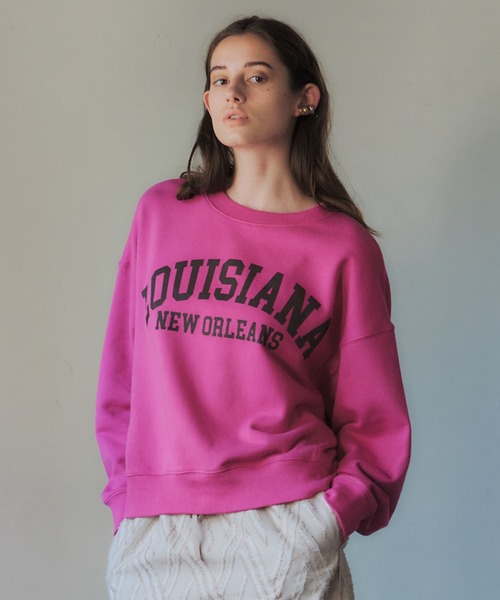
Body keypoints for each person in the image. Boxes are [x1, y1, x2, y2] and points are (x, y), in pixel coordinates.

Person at [96, 15, 411, 600]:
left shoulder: (342, 247)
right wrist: (125, 495)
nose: (233, 93)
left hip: (286, 525)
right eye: (220, 79)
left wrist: (329, 519)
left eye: (257, 77)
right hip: (155, 528)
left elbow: (374, 413)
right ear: (207, 100)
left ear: (304, 98)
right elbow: (122, 368)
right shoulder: (161, 213)